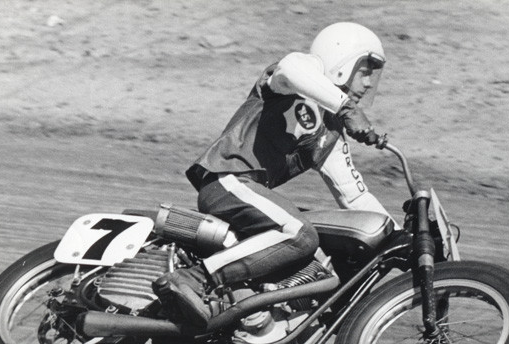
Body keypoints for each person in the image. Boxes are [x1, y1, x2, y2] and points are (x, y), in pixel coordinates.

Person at [153, 22, 398, 327]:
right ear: (342, 60)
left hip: (246, 193)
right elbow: (292, 68)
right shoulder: (296, 77)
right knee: (299, 234)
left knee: (328, 252)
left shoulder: (330, 133)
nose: (368, 82)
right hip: (227, 180)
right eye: (365, 70)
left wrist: (399, 236)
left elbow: (354, 195)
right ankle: (194, 279)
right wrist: (346, 107)